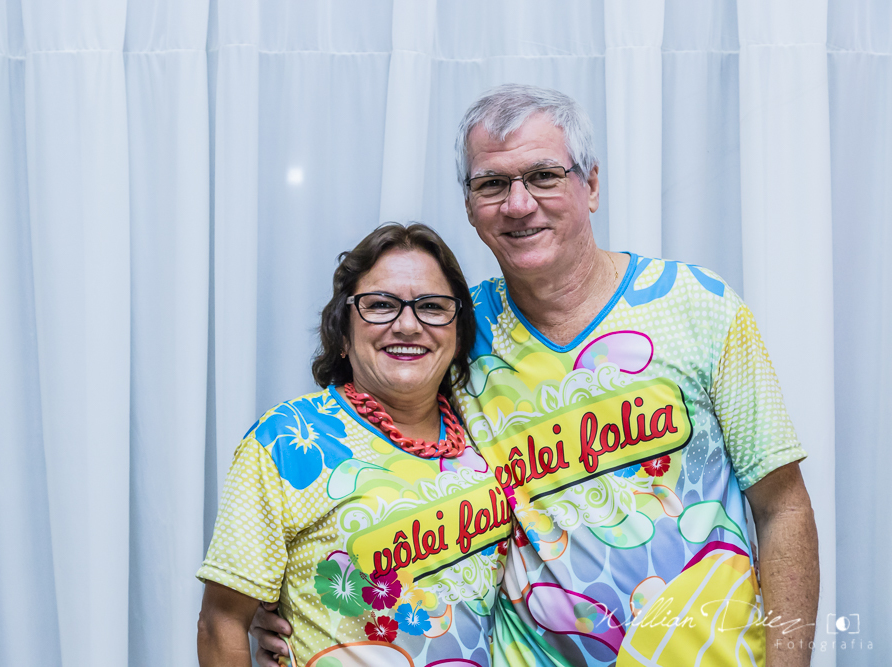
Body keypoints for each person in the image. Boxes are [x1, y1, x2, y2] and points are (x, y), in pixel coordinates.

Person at [251, 84, 820, 667]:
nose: (519, 204)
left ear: (590, 185)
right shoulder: (451, 331)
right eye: (492, 184)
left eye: (544, 176)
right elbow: (355, 447)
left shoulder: (698, 306)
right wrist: (286, 603)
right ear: (469, 205)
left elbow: (783, 508)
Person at [196, 223, 511, 667]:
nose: (408, 325)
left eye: (431, 306)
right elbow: (221, 623)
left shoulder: (482, 427)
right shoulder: (288, 439)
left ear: (458, 333)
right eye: (380, 305)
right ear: (343, 333)